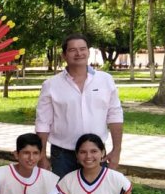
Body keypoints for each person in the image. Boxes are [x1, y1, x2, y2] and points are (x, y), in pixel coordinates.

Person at [35, 33, 124, 177]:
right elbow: (43, 123)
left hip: (95, 153)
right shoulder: (51, 85)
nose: (79, 53)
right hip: (63, 154)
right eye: (72, 50)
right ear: (64, 55)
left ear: (88, 52)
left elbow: (115, 115)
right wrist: (42, 156)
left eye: (83, 49)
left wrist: (116, 150)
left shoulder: (105, 80)